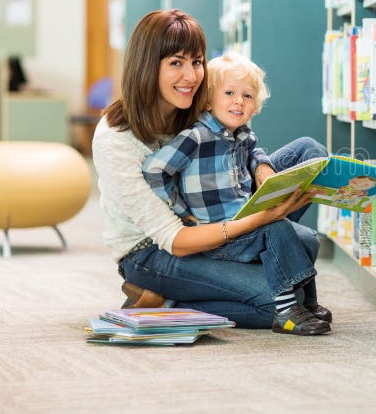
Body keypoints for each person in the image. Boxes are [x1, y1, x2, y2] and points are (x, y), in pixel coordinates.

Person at [92, 9, 330, 336]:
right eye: (176, 62)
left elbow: (242, 140)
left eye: (197, 61)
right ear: (148, 65)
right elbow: (173, 238)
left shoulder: (195, 103)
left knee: (307, 162)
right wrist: (257, 220)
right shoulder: (115, 139)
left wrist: (262, 167)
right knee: (276, 299)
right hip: (153, 251)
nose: (190, 76)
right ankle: (167, 301)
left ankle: (257, 256)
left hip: (218, 215)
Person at [141, 53, 330, 332]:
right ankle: (287, 311)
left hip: (244, 215)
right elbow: (154, 170)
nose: (239, 101)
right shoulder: (195, 137)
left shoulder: (242, 133)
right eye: (229, 93)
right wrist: (180, 211)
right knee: (277, 229)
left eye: (248, 96)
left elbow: (254, 148)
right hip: (220, 234)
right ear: (207, 100)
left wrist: (262, 165)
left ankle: (307, 303)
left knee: (308, 238)